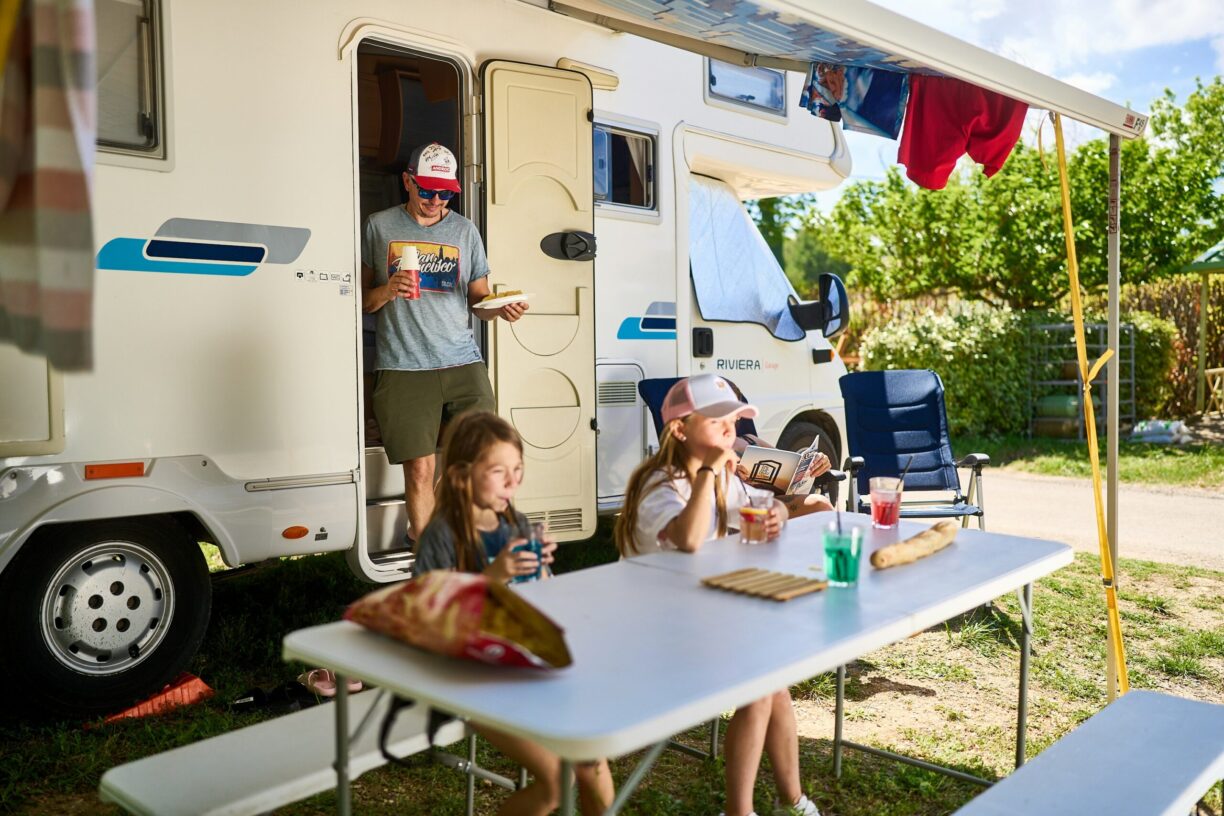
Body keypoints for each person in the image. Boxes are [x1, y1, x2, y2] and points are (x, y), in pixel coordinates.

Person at [614, 374, 822, 816]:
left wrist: (779, 511)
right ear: (679, 430)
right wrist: (710, 471)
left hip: (701, 618)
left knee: (773, 680)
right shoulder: (659, 485)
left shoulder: (723, 476)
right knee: (762, 683)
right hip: (651, 635)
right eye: (716, 422)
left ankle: (792, 801)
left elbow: (762, 505)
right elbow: (688, 539)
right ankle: (740, 811)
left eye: (734, 421)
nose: (730, 430)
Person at [414, 411, 615, 816]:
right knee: (558, 781)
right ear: (460, 477)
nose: (513, 481)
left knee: (592, 761)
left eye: (518, 469)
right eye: (498, 471)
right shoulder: (441, 536)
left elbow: (536, 604)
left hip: (526, 665)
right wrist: (494, 575)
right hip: (468, 679)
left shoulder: (515, 524)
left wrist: (543, 575)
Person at [361, 141, 526, 545]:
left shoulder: (465, 231)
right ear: (407, 181)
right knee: (420, 469)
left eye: (445, 193)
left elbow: (478, 300)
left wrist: (499, 309)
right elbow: (361, 301)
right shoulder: (379, 226)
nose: (435, 200)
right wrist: (388, 289)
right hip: (403, 365)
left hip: (461, 362)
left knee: (478, 458)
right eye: (427, 190)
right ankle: (427, 548)